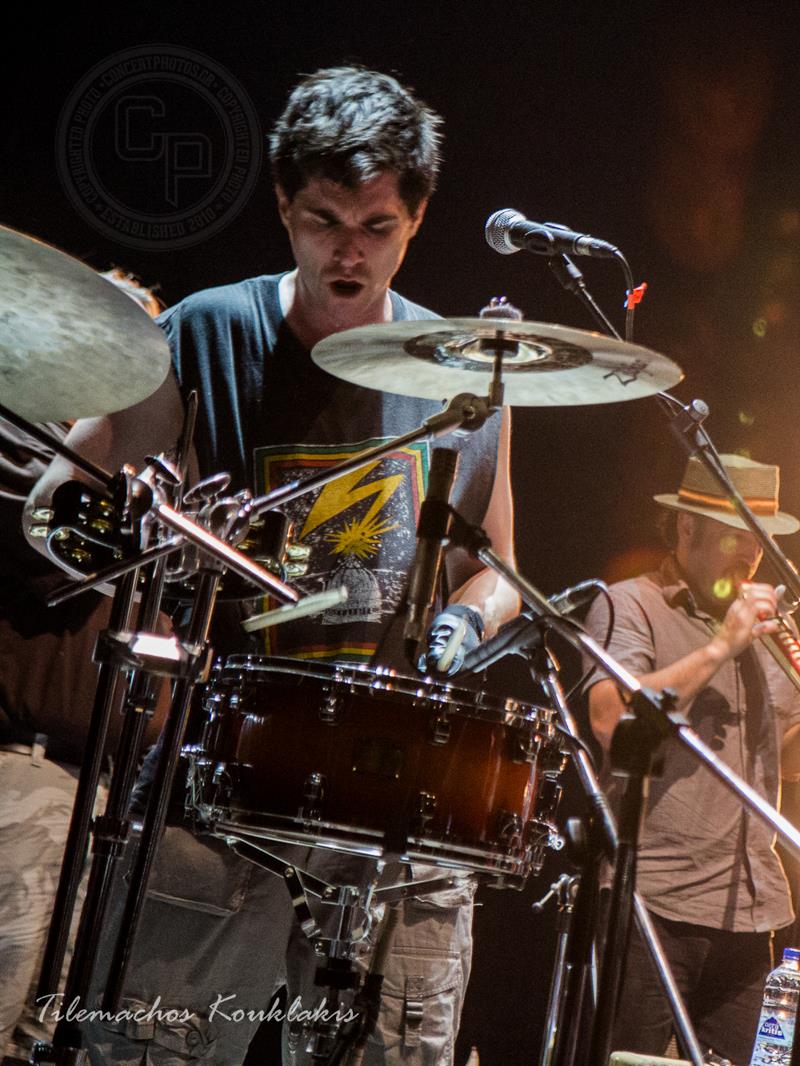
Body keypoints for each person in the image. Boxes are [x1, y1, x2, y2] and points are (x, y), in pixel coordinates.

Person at [26, 67, 518, 1065]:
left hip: (390, 801)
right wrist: (85, 514)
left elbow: (499, 566)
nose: (348, 251)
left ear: (416, 219)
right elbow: (66, 499)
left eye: (376, 226)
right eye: (323, 220)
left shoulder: (462, 382)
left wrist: (468, 622)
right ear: (283, 206)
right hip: (214, 782)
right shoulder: (205, 331)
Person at [581, 453, 800, 1062]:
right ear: (686, 528)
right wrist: (722, 645)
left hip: (747, 908)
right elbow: (612, 722)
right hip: (651, 900)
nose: (751, 554)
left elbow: (791, 762)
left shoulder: (770, 631)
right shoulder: (628, 604)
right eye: (736, 535)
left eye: (760, 540)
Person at [1, 270, 165, 1062]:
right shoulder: (21, 443)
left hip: (113, 805)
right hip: (24, 777)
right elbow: (55, 554)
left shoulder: (147, 481)